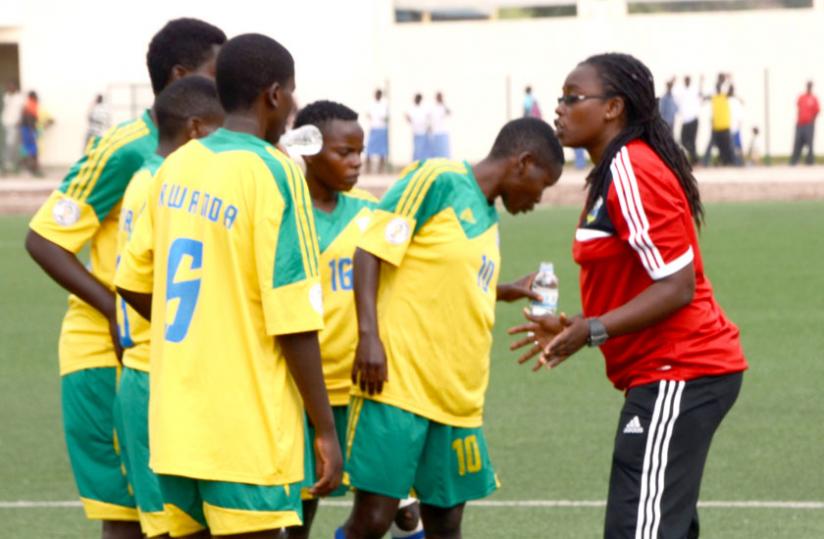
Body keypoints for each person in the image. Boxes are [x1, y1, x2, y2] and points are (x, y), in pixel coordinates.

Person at [115, 33, 343, 537]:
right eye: (292, 92)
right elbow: (294, 317)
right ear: (275, 95)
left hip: (175, 419)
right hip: (244, 422)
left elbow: (129, 281)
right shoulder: (276, 172)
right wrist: (324, 428)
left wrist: (203, 329)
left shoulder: (177, 165)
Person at [511, 52, 747, 539]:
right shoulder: (614, 170)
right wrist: (581, 321)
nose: (559, 108)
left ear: (614, 108)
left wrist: (594, 330)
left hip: (681, 370)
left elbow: (677, 287)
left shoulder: (632, 169)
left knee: (636, 529)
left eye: (572, 98)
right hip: (667, 372)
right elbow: (641, 279)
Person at [24, 18, 227, 539]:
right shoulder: (130, 145)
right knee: (130, 523)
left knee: (179, 519)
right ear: (181, 75)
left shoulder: (214, 148)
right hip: (108, 358)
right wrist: (116, 310)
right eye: (215, 72)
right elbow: (45, 238)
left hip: (164, 353)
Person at [338, 117, 564, 539]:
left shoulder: (487, 215)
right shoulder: (438, 178)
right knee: (371, 521)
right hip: (399, 385)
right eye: (543, 183)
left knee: (446, 523)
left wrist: (506, 289)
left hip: (456, 396)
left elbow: (444, 276)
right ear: (524, 162)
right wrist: (369, 337)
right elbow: (370, 249)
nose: (539, 197)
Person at [284, 100, 424, 539]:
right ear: (308, 151)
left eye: (360, 151)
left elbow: (421, 278)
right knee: (297, 516)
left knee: (401, 512)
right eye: (344, 152)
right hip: (300, 390)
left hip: (367, 386)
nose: (357, 162)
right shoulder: (282, 211)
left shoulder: (370, 210)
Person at [112, 75, 224, 539]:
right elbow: (133, 285)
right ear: (197, 129)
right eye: (224, 131)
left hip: (157, 371)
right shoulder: (163, 182)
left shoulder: (153, 180)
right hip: (155, 374)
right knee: (172, 529)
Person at [703, 81, 735, 166]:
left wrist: (729, 80)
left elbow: (732, 91)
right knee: (710, 146)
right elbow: (703, 97)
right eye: (716, 87)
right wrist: (702, 82)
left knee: (729, 147)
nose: (717, 88)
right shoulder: (714, 97)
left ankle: (734, 163)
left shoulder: (724, 96)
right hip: (716, 127)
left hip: (725, 126)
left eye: (718, 87)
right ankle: (705, 162)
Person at [790, 81, 819, 166]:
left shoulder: (814, 98)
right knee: (797, 142)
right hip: (800, 124)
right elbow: (798, 107)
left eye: (810, 86)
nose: (809, 87)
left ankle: (809, 161)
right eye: (808, 86)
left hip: (809, 124)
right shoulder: (801, 97)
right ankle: (794, 161)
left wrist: (812, 121)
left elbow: (817, 110)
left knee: (809, 143)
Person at [675, 76, 700, 164]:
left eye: (688, 80)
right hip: (685, 121)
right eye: (686, 80)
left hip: (693, 119)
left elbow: (701, 94)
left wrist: (701, 81)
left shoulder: (694, 90)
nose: (687, 82)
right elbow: (676, 99)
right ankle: (694, 156)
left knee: (692, 141)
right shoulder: (682, 92)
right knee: (683, 140)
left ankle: (694, 160)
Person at [365, 89, 389, 174]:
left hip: (382, 129)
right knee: (369, 150)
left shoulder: (384, 104)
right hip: (374, 128)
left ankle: (381, 169)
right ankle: (367, 169)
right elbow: (368, 114)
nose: (377, 95)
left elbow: (387, 116)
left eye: (379, 94)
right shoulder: (371, 104)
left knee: (382, 151)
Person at [1, 82, 23, 174]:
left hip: (14, 124)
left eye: (12, 86)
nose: (10, 88)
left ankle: (13, 165)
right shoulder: (5, 97)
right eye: (9, 86)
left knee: (12, 145)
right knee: (5, 145)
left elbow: (22, 110)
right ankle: (5, 166)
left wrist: (20, 120)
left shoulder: (19, 98)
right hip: (4, 123)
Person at [406, 93, 429, 162]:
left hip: (424, 132)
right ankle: (415, 163)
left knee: (423, 151)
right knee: (417, 150)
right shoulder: (412, 108)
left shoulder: (424, 108)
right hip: (416, 132)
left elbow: (428, 119)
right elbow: (408, 117)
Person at [428, 91, 451, 158]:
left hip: (443, 132)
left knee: (444, 152)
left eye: (440, 97)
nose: (439, 98)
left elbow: (449, 112)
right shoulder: (432, 107)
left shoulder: (444, 107)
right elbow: (429, 118)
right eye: (438, 97)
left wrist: (443, 104)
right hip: (435, 133)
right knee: (435, 152)